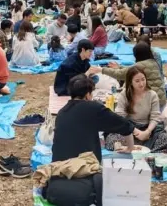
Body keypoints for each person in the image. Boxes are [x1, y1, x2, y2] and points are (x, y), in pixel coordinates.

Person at [44, 74, 135, 206]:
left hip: (60, 171)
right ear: (88, 94)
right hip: (84, 171)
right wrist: (130, 148)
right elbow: (125, 126)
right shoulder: (93, 108)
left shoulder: (62, 112)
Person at [105, 67, 167, 153]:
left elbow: (155, 117)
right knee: (111, 139)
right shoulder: (124, 94)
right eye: (137, 81)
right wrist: (134, 131)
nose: (141, 83)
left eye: (143, 79)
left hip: (148, 129)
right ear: (130, 82)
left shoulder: (152, 94)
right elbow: (120, 117)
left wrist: (147, 132)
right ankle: (134, 149)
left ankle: (143, 152)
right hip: (130, 128)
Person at [90, 42, 166, 109]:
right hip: (161, 103)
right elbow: (131, 70)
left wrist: (101, 70)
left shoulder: (140, 65)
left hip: (152, 106)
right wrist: (119, 67)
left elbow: (120, 74)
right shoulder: (153, 63)